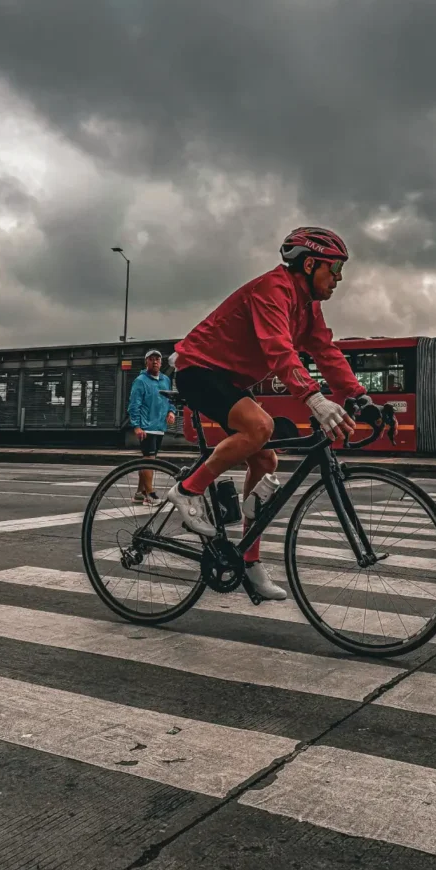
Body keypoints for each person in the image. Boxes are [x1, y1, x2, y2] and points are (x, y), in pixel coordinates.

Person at [168, 226, 372, 600]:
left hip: (228, 379)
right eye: (335, 268)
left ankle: (249, 561)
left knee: (266, 462)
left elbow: (326, 353)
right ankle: (187, 490)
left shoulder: (309, 308)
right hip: (198, 369)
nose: (339, 278)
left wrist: (362, 398)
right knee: (259, 426)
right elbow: (279, 350)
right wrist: (315, 399)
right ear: (310, 264)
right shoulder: (273, 290)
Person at [128, 349, 176, 503]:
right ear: (146, 362)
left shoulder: (165, 380)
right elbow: (134, 405)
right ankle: (150, 494)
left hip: (160, 426)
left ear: (161, 362)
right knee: (150, 460)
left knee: (149, 459)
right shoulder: (140, 381)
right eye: (151, 359)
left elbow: (170, 400)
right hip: (146, 427)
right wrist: (137, 426)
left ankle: (139, 493)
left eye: (157, 359)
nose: (155, 361)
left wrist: (171, 411)